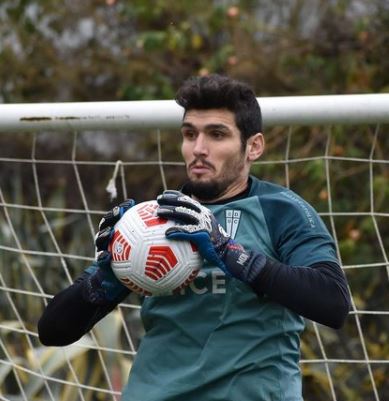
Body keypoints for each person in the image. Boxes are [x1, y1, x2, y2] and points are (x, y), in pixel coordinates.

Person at [38, 74, 351, 401]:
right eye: (190, 134)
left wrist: (233, 255)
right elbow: (53, 331)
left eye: (217, 134)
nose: (198, 149)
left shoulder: (282, 210)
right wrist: (106, 276)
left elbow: (333, 303)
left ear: (253, 146)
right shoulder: (150, 222)